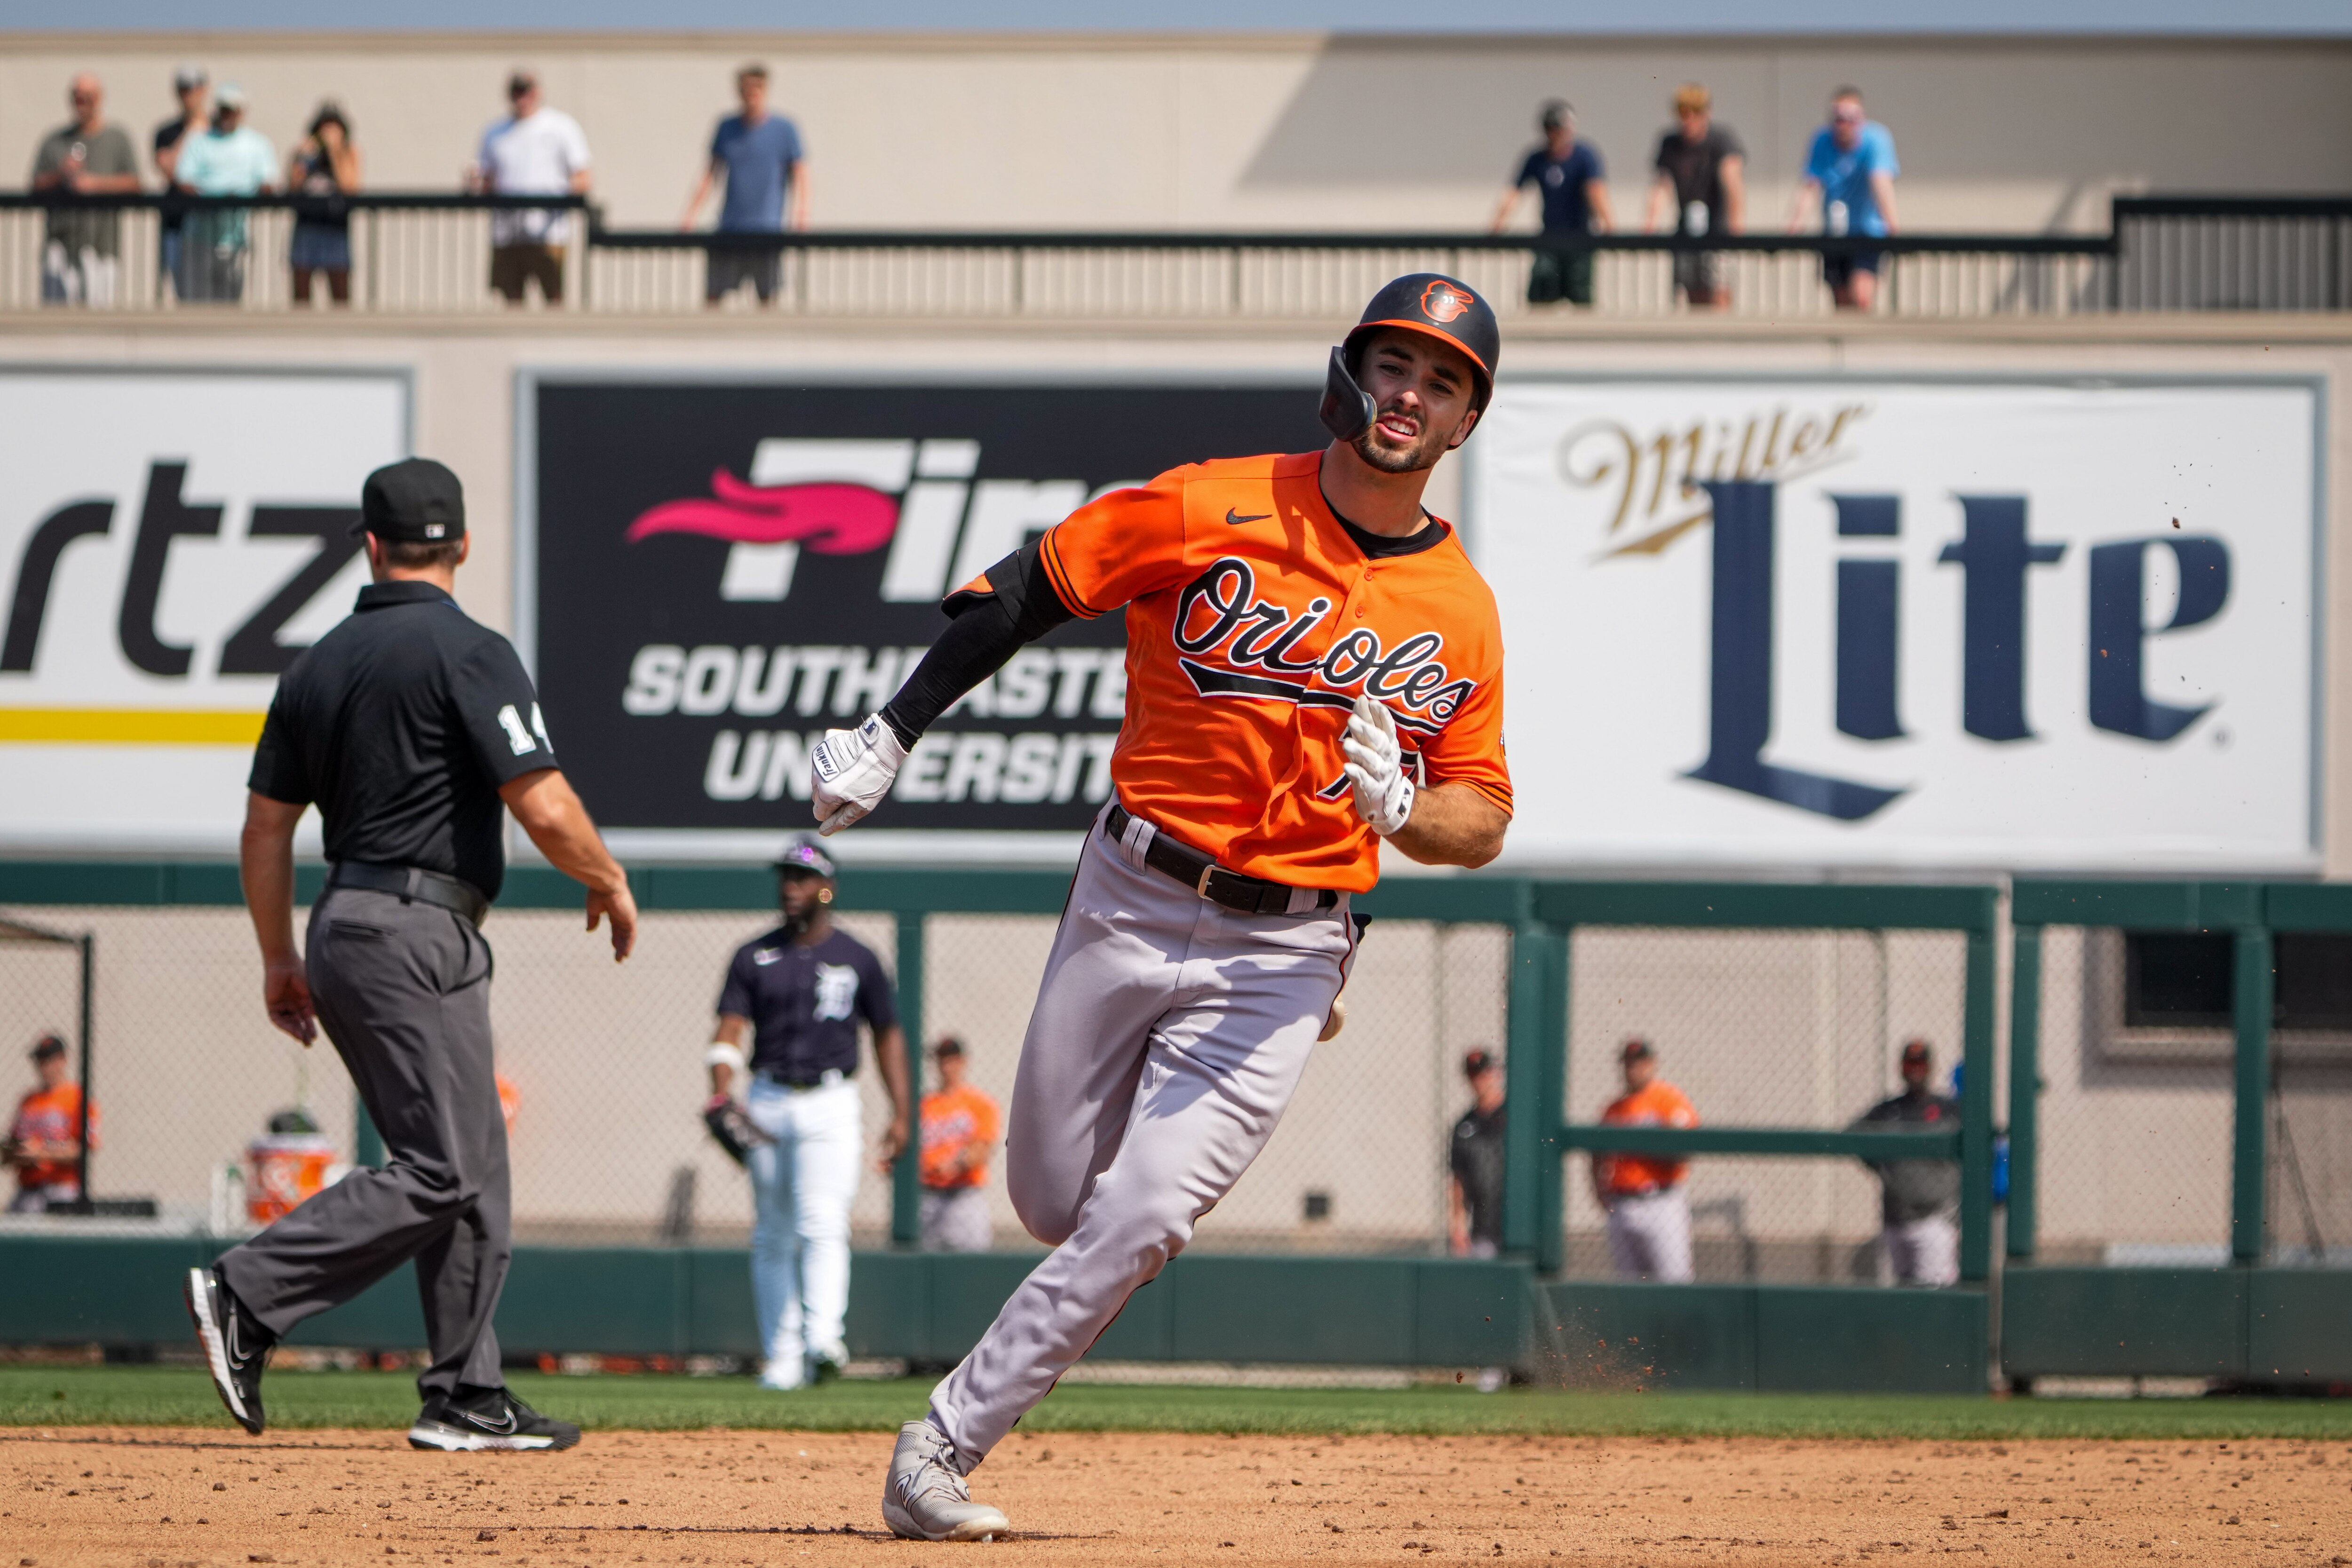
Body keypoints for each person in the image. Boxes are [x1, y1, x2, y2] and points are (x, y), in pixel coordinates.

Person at [809, 271, 1512, 1540]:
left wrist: (1405, 809)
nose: (1414, 393)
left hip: (1291, 941)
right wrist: (896, 727)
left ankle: (942, 1444)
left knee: (1140, 1214)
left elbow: (1485, 816)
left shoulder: (1461, 610)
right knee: (1051, 1196)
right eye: (1398, 364)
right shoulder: (1214, 500)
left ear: (1467, 420)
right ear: (1353, 372)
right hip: (1131, 892)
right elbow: (1033, 582)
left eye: (1447, 380)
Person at [188, 456, 638, 1454]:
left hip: (347, 919)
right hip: (416, 927)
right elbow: (545, 802)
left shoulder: (318, 664)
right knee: (442, 1166)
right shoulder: (471, 651)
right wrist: (605, 878)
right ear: (463, 544)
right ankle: (246, 1291)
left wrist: (277, 957)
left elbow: (266, 830)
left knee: (473, 1166)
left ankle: (465, 1394)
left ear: (371, 544)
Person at [705, 837, 910, 1390]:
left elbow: (888, 1035)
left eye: (800, 878)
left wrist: (900, 1111)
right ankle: (783, 1355)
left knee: (822, 1221)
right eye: (785, 877)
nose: (789, 887)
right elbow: (729, 1028)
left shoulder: (858, 956)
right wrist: (722, 1090)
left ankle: (823, 1340)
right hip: (768, 1097)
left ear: (827, 886)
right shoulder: (753, 955)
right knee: (772, 1233)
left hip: (831, 1099)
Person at [680, 64, 807, 307]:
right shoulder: (727, 128)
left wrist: (801, 214)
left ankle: (769, 345)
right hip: (730, 228)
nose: (752, 94)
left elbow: (801, 173)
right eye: (746, 89)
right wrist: (691, 215)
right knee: (714, 297)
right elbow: (711, 174)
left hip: (768, 230)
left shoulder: (784, 130)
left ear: (766, 90)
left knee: (767, 299)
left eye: (757, 88)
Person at [471, 71, 590, 308]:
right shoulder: (495, 132)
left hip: (549, 231)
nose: (522, 98)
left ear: (538, 93)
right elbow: (485, 179)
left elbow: (583, 177)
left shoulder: (561, 127)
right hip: (507, 233)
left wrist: (554, 197)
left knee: (554, 297)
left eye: (526, 91)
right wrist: (477, 182)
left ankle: (555, 344)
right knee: (511, 297)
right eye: (516, 92)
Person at [30, 74, 142, 308]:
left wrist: (95, 184)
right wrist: (62, 174)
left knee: (99, 319)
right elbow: (34, 187)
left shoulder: (117, 138)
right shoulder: (54, 141)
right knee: (58, 316)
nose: (82, 103)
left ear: (100, 99)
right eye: (77, 98)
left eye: (88, 98)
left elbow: (134, 185)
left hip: (102, 247)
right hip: (60, 245)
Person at [1592, 1038, 1698, 1283]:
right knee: (1629, 1286)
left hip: (1661, 1201)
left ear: (1652, 1064)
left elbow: (1685, 1149)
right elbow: (1595, 1154)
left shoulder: (1669, 1099)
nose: (1633, 1070)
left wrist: (1648, 1146)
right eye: (1629, 1064)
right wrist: (1598, 1190)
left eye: (1639, 1063)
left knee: (1674, 1282)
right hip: (1622, 1203)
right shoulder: (1614, 1109)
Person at [1856, 1038, 1961, 1287]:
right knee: (1904, 1291)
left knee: (1934, 1291)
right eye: (1910, 1063)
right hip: (1896, 1219)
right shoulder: (1888, 1110)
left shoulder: (1949, 1109)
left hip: (1934, 1219)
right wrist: (1882, 1166)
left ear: (1930, 1068)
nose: (1915, 1069)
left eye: (1920, 1063)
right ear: (1901, 1067)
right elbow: (1852, 1136)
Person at [1788, 86, 1900, 311]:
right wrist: (1795, 225)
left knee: (1861, 295)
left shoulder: (1876, 140)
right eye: (1839, 118)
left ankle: (1862, 343)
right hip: (1835, 231)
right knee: (1840, 300)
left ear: (1862, 119)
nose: (1845, 125)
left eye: (1851, 118)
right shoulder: (1822, 140)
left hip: (1869, 232)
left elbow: (1881, 183)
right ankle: (1846, 346)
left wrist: (1892, 227)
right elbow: (1811, 185)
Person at [1491, 100, 1611, 308]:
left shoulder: (1585, 156)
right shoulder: (1537, 159)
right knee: (1540, 296)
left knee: (1581, 300)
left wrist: (1609, 227)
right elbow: (1514, 193)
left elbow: (1596, 192)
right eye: (1550, 130)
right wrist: (1497, 227)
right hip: (1549, 240)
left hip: (1579, 241)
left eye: (1558, 130)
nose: (1554, 136)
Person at [170, 83, 276, 304]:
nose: (228, 114)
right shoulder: (199, 141)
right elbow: (184, 180)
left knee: (232, 302)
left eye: (233, 109)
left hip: (236, 239)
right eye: (224, 109)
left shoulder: (257, 144)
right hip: (199, 236)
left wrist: (239, 197)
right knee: (196, 303)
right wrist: (212, 198)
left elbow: (268, 183)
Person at [1642, 83, 1744, 310]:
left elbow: (1733, 182)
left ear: (1705, 114)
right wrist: (1650, 223)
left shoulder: (1721, 140)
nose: (1688, 121)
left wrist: (1736, 228)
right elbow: (1662, 185)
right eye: (1682, 115)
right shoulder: (1670, 144)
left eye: (1693, 114)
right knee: (1691, 289)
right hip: (1685, 231)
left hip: (1717, 230)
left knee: (1719, 289)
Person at [918, 1038, 999, 1253]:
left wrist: (954, 1164)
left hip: (964, 1196)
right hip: (927, 1196)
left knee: (972, 1266)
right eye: (942, 1060)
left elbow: (981, 1149)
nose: (947, 1067)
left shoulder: (980, 1103)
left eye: (952, 1060)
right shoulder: (924, 1105)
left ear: (963, 1062)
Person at [7, 1035, 95, 1213]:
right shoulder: (29, 1101)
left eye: (48, 1059)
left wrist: (40, 1152)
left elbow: (84, 1148)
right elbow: (14, 1143)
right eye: (40, 1060)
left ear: (62, 1060)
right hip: (27, 1189)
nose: (43, 1066)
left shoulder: (78, 1098)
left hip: (61, 1189)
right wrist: (16, 1152)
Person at [286, 102, 361, 307]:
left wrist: (335, 152)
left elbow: (350, 187)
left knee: (340, 297)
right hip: (307, 227)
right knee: (301, 298)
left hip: (335, 229)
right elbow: (292, 188)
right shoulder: (307, 153)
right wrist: (303, 157)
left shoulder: (349, 152)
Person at [152, 64, 208, 300]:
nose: (189, 95)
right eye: (184, 89)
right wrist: (191, 134)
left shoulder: (218, 129)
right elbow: (170, 170)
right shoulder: (166, 132)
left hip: (210, 227)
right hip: (176, 224)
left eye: (194, 88)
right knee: (183, 294)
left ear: (204, 90)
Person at [1446, 1049, 1504, 1258]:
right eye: (1473, 1074)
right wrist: (1458, 1226)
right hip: (1484, 1228)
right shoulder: (1464, 1126)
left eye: (1484, 1073)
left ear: (1496, 1074)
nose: (1479, 1080)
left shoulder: (1515, 1117)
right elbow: (1458, 1179)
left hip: (1518, 1225)